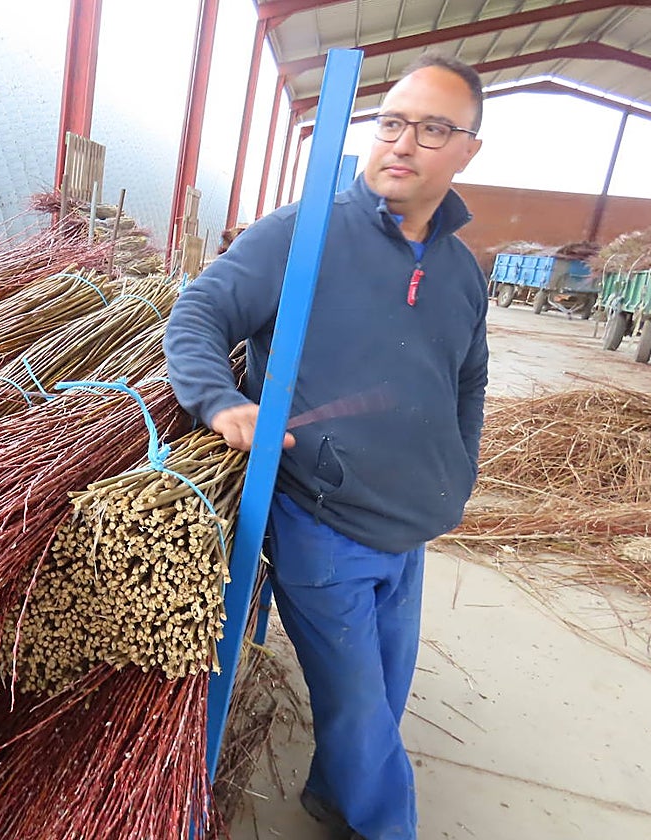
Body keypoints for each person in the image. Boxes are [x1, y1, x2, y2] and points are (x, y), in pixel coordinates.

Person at [163, 53, 488, 840]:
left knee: (385, 688)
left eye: (432, 129)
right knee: (360, 708)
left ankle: (332, 800)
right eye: (392, 122)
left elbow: (468, 378)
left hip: (410, 524)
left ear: (468, 150)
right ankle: (386, 826)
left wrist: (458, 472)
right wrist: (221, 402)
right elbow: (199, 314)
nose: (402, 143)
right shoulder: (302, 234)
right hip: (321, 519)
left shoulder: (460, 270)